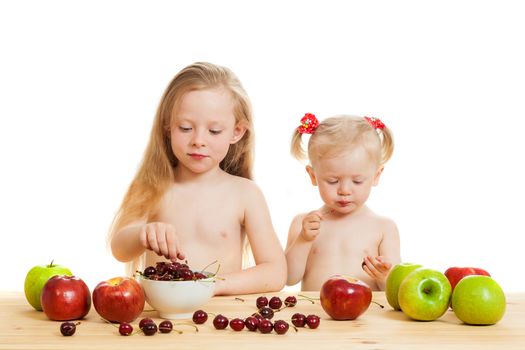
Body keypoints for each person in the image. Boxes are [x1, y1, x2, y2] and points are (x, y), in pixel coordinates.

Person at [109, 62, 286, 295]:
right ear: (167, 127)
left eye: (214, 131)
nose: (198, 141)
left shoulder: (245, 194)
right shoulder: (152, 185)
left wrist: (211, 286)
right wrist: (143, 234)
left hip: (220, 319)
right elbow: (120, 248)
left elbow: (275, 272)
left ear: (237, 132)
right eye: (185, 128)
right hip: (164, 320)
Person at [285, 113, 400, 291]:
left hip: (366, 316)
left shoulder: (384, 228)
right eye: (333, 181)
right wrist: (303, 240)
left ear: (376, 176)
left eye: (357, 181)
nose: (344, 191)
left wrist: (385, 276)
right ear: (313, 176)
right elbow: (289, 278)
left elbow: (395, 289)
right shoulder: (303, 224)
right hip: (316, 315)